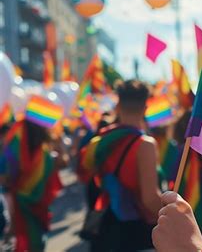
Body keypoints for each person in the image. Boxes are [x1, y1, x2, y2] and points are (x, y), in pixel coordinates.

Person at [79, 80, 162, 252]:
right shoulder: (144, 144)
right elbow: (149, 199)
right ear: (145, 108)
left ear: (118, 107)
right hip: (134, 230)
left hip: (105, 226)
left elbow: (86, 174)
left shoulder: (100, 140)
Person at [0, 120, 66, 252]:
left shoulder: (13, 150)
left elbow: (4, 178)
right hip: (40, 204)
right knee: (37, 239)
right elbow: (62, 164)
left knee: (27, 237)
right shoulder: (46, 154)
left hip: (20, 203)